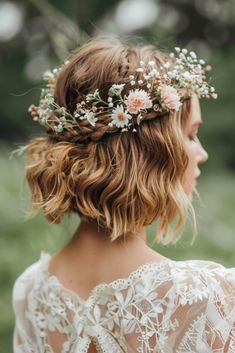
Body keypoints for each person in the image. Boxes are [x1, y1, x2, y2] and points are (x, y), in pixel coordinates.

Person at [12, 38, 235, 353]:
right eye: (190, 135)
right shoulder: (211, 297)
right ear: (152, 151)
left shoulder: (31, 293)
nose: (201, 153)